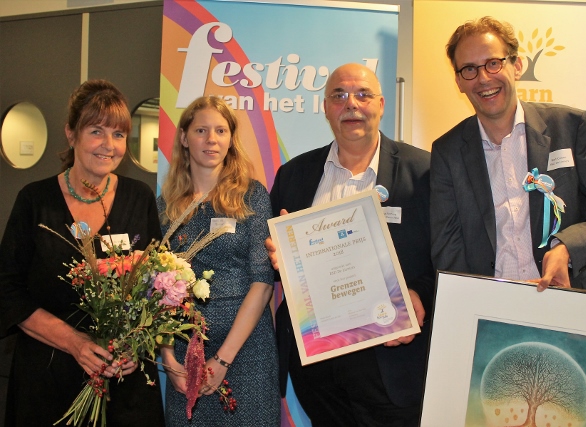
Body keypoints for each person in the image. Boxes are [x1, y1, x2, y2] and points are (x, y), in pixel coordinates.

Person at [268, 63, 434, 426]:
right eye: (339, 95)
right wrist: (279, 257)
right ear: (326, 108)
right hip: (317, 368)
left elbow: (449, 257)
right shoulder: (293, 175)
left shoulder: (425, 171)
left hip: (391, 361)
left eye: (363, 94)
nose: (351, 104)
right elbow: (275, 269)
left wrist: (419, 293)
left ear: (381, 104)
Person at [0, 80, 165, 426]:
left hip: (123, 383)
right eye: (96, 131)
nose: (109, 145)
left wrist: (134, 345)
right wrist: (75, 342)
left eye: (118, 134)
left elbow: (156, 284)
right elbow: (7, 290)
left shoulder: (139, 198)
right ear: (71, 134)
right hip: (48, 378)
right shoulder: (35, 201)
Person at [430, 17, 586, 291]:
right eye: (469, 69)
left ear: (516, 66)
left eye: (493, 63)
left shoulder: (571, 127)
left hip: (564, 298)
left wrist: (568, 248)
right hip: (489, 305)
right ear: (458, 81)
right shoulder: (447, 151)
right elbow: (448, 247)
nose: (483, 78)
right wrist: (477, 300)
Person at [158, 95, 280, 426]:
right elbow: (156, 290)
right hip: (184, 355)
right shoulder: (165, 206)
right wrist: (168, 358)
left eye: (220, 131)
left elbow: (262, 283)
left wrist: (223, 359)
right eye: (201, 130)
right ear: (184, 138)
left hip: (246, 352)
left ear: (230, 139)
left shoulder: (252, 196)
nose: (211, 139)